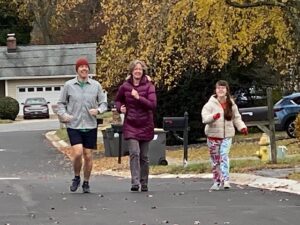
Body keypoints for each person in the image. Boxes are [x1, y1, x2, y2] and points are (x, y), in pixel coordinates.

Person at [57, 57, 107, 193]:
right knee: (78, 153)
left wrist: (98, 110)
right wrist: (64, 115)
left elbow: (103, 103)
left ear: (88, 69)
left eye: (86, 67)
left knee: (88, 155)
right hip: (74, 124)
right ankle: (76, 177)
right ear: (77, 69)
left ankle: (86, 182)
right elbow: (61, 104)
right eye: (81, 67)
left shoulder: (96, 85)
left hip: (90, 125)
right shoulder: (69, 85)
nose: (84, 69)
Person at [115, 59, 157, 192]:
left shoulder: (149, 86)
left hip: (145, 124)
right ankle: (135, 182)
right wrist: (119, 108)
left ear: (143, 71)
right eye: (135, 69)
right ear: (131, 71)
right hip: (131, 124)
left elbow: (152, 105)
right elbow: (117, 99)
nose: (137, 71)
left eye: (140, 69)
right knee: (134, 153)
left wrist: (139, 97)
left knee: (144, 156)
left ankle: (144, 182)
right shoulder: (125, 86)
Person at [201, 80, 248, 191]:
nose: (220, 90)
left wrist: (242, 127)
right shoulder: (210, 104)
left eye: (223, 88)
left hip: (227, 136)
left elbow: (237, 118)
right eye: (218, 88)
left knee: (223, 156)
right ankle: (217, 181)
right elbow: (205, 118)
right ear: (215, 90)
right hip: (213, 136)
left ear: (226, 90)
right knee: (215, 160)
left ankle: (226, 180)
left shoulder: (231, 104)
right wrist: (213, 117)